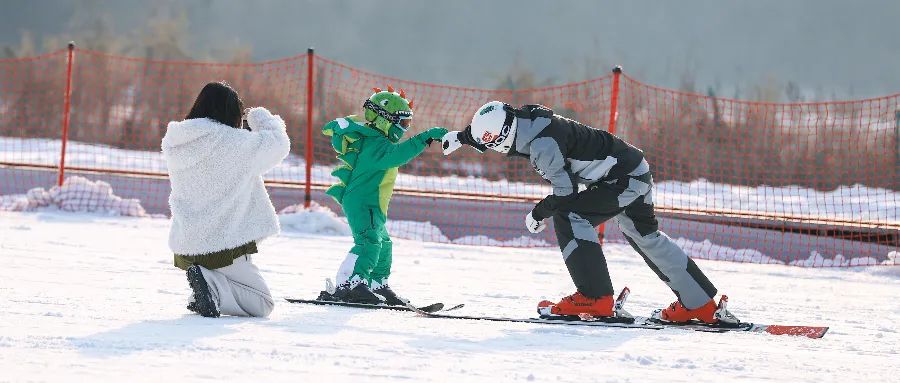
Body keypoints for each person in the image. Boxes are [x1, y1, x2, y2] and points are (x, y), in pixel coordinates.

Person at [441, 101, 738, 324]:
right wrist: (462, 137)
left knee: (569, 215)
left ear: (503, 135)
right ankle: (700, 304)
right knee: (645, 235)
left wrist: (538, 213)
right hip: (634, 170)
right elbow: (493, 131)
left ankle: (595, 298)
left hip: (622, 178)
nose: (491, 148)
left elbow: (566, 192)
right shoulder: (527, 122)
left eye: (490, 143)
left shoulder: (543, 145)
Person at [161, 82, 290, 318]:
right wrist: (261, 118)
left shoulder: (176, 142)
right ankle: (213, 288)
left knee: (239, 288)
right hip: (223, 246)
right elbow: (279, 144)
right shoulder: (234, 143)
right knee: (263, 304)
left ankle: (205, 293)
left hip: (187, 245)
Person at [321, 86, 447, 304]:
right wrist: (426, 137)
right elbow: (397, 156)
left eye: (408, 123)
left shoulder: (379, 141)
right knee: (368, 242)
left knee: (383, 243)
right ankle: (348, 284)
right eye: (403, 122)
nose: (405, 128)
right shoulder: (375, 144)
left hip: (373, 204)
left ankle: (376, 284)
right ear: (384, 119)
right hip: (362, 202)